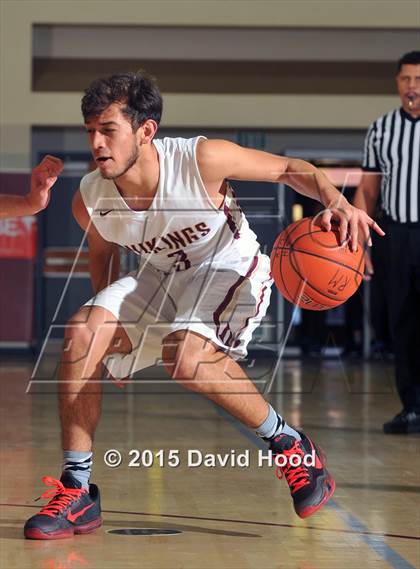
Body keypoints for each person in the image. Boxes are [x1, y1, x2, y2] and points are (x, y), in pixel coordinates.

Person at [24, 72, 383, 540]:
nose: (96, 142)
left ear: (146, 130)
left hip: (227, 267)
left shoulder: (200, 159)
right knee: (80, 334)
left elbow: (288, 168)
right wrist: (108, 340)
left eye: (108, 129)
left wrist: (339, 201)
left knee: (186, 360)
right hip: (160, 280)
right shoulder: (90, 197)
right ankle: (77, 491)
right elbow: (102, 252)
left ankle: (292, 447)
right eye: (90, 130)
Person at [354, 50, 420, 434]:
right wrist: (360, 245)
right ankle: (412, 407)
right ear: (397, 84)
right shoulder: (381, 130)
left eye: (418, 79)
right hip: (395, 235)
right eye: (406, 79)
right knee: (403, 323)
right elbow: (368, 190)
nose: (413, 87)